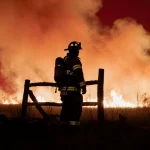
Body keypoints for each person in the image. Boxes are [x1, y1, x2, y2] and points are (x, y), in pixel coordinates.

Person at [59, 41, 86, 126]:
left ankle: (63, 131)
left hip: (64, 92)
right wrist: (83, 86)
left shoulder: (65, 60)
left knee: (65, 110)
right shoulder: (75, 61)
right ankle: (74, 131)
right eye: (77, 50)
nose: (78, 52)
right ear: (75, 51)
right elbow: (79, 74)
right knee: (76, 111)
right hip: (73, 92)